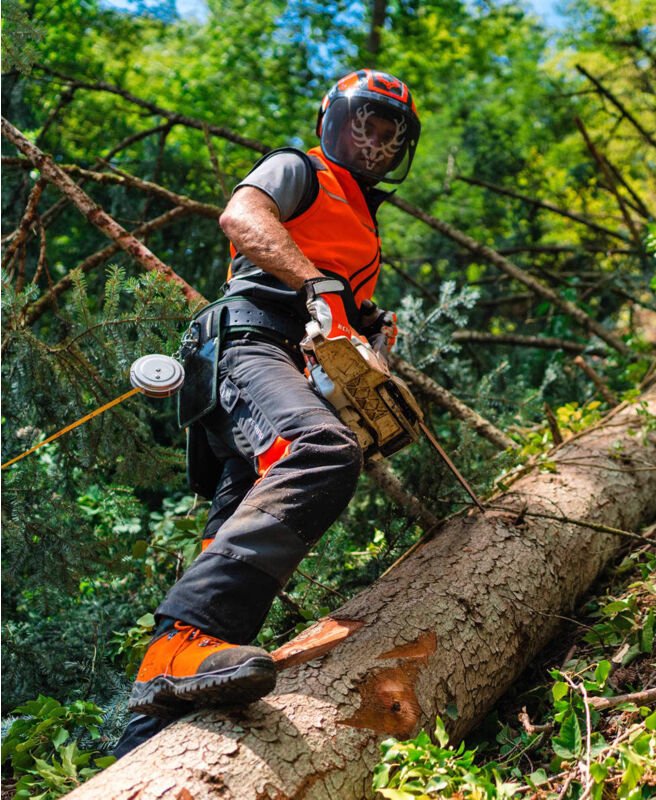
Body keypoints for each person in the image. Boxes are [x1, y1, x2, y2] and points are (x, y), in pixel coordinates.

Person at [113, 68, 421, 757]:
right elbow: (242, 218)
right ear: (335, 122)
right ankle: (191, 638)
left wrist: (369, 332)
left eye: (386, 133)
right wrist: (313, 282)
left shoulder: (366, 228)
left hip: (294, 363)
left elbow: (346, 305)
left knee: (234, 521)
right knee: (320, 449)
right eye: (363, 125)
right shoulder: (298, 170)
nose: (372, 142)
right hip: (248, 343)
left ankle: (149, 717)